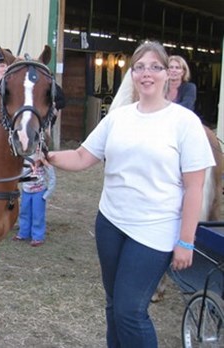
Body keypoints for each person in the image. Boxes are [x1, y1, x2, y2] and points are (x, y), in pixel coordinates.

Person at [43, 41, 215, 347]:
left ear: (168, 73)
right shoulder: (118, 118)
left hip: (154, 230)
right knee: (114, 305)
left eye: (155, 67)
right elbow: (83, 157)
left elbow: (194, 187)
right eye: (139, 67)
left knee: (130, 311)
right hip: (111, 223)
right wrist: (49, 157)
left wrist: (186, 241)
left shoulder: (184, 122)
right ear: (131, 74)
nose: (146, 73)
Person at [12, 155, 56, 246]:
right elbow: (20, 176)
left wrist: (46, 195)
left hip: (39, 193)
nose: (36, 160)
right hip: (26, 192)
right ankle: (23, 233)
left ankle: (37, 237)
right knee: (24, 213)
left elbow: (52, 178)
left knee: (38, 215)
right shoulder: (26, 165)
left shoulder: (45, 166)